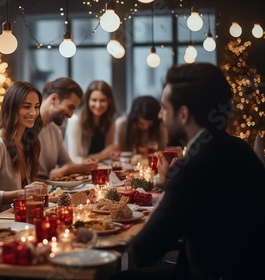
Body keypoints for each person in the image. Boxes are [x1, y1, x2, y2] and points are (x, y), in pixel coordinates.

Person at [110, 63, 265, 280]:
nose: (161, 116)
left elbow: (143, 252)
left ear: (183, 114)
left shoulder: (194, 167)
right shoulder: (238, 147)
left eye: (164, 108)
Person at [0, 81, 48, 218]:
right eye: (27, 107)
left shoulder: (28, 140)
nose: (33, 113)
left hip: (18, 216)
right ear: (12, 108)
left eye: (37, 107)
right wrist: (22, 194)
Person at [37, 77, 97, 180]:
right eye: (70, 107)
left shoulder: (55, 130)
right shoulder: (27, 127)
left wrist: (82, 166)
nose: (71, 115)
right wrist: (67, 169)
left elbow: (66, 163)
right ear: (54, 99)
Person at [64, 80, 119, 163]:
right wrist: (103, 155)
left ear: (109, 102)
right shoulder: (75, 120)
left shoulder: (110, 121)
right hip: (79, 172)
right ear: (87, 101)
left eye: (102, 100)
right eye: (94, 100)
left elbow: (110, 154)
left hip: (100, 170)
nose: (98, 105)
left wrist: (112, 155)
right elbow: (74, 159)